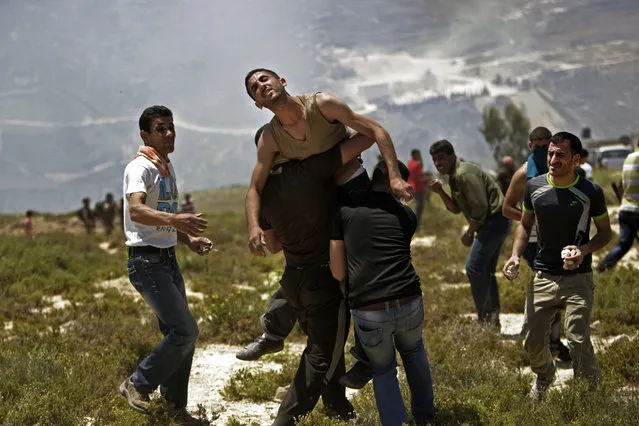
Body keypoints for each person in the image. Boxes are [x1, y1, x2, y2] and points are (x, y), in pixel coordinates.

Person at [255, 127, 378, 425]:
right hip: (329, 275)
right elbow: (369, 135)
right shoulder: (311, 168)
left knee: (328, 340)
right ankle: (288, 418)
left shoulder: (267, 191)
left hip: (299, 276)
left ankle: (335, 400)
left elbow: (272, 246)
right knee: (324, 351)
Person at [243, 68, 413, 258]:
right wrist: (253, 226)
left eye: (264, 79)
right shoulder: (269, 138)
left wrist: (395, 177)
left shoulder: (322, 105)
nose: (261, 86)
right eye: (254, 88)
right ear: (258, 104)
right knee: (334, 268)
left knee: (370, 252)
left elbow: (376, 130)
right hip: (318, 201)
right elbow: (255, 188)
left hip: (352, 186)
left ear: (282, 81)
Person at [119, 105, 213, 424]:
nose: (169, 133)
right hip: (147, 261)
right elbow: (137, 211)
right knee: (185, 331)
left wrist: (189, 239)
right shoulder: (140, 167)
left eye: (171, 127)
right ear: (145, 134)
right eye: (161, 129)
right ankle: (138, 382)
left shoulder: (165, 168)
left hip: (167, 259)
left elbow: (162, 221)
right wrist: (179, 220)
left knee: (179, 335)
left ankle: (174, 410)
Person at [503, 131, 611, 401]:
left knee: (576, 336)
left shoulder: (590, 191)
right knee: (532, 340)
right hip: (543, 276)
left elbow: (605, 233)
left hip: (578, 277)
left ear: (575, 159)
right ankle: (545, 374)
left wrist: (583, 250)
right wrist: (515, 256)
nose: (552, 159)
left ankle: (590, 393)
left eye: (560, 154)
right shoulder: (534, 187)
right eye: (550, 153)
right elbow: (525, 226)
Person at [330, 160, 435, 426]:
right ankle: (425, 416)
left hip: (370, 308)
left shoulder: (344, 212)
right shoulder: (407, 216)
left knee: (383, 369)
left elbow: (339, 273)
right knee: (414, 353)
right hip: (409, 297)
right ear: (394, 181)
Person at [502, 126, 571, 362]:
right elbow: (506, 207)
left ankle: (547, 339)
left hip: (557, 240)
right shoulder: (523, 175)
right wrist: (530, 218)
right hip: (532, 242)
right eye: (538, 144)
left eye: (546, 143)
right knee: (549, 287)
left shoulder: (560, 172)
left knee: (556, 289)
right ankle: (542, 341)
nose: (542, 148)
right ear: (530, 146)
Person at [429, 139, 510, 327]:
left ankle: (485, 319)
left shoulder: (464, 174)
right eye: (434, 160)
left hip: (493, 221)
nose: (438, 163)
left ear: (452, 156)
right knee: (485, 271)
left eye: (441, 158)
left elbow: (481, 208)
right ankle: (492, 320)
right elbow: (456, 208)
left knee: (474, 269)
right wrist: (441, 192)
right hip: (492, 223)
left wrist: (469, 232)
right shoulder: (454, 176)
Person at [597, 140, 639, 271]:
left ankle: (601, 269)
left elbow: (622, 185)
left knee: (623, 245)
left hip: (626, 209)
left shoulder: (629, 158)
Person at [407, 149, 432, 233]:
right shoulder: (416, 165)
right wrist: (428, 179)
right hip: (418, 188)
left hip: (413, 188)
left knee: (418, 207)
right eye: (419, 154)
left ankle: (415, 226)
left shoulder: (410, 163)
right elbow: (419, 178)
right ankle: (416, 227)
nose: (420, 156)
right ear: (415, 155)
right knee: (419, 208)